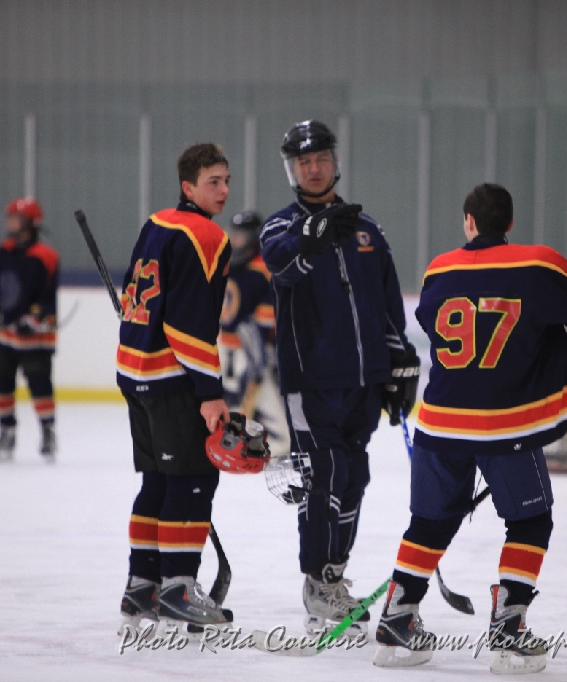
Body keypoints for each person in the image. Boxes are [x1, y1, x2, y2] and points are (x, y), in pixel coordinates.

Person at [373, 183, 567, 674]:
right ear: (509, 223)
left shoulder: (439, 269)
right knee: (531, 521)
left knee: (430, 522)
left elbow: (433, 321)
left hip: (440, 423)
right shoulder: (540, 264)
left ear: (468, 222)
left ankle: (398, 616)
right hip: (507, 426)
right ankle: (508, 627)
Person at [260, 120, 419, 635]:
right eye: (302, 162)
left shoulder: (367, 230)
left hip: (363, 380)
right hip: (311, 381)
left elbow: (388, 305)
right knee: (323, 473)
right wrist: (311, 239)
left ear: (335, 162)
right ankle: (317, 581)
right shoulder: (279, 228)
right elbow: (282, 268)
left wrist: (399, 363)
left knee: (353, 476)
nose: (313, 169)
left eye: (320, 159)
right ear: (292, 170)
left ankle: (333, 575)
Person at [116, 143, 234, 635]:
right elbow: (189, 325)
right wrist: (210, 392)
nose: (223, 191)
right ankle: (179, 590)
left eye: (226, 181)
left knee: (157, 482)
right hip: (172, 380)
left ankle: (141, 587)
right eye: (213, 182)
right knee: (192, 480)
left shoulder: (156, 223)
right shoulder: (207, 235)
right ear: (188, 186)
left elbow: (133, 294)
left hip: (134, 373)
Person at [0, 197, 60, 462]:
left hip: (37, 338)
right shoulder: (5, 250)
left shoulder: (46, 256)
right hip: (6, 334)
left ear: (31, 223)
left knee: (39, 383)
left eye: (16, 218)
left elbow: (48, 299)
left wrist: (34, 319)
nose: (10, 222)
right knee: (1, 379)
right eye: (10, 218)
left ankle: (48, 432)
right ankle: (7, 433)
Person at [219, 210, 290, 456]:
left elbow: (267, 317)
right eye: (235, 234)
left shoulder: (264, 269)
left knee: (267, 404)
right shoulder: (227, 265)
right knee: (233, 403)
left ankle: (277, 448)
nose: (236, 240)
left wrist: (258, 352)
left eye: (242, 235)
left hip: (257, 352)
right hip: (228, 350)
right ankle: (241, 447)